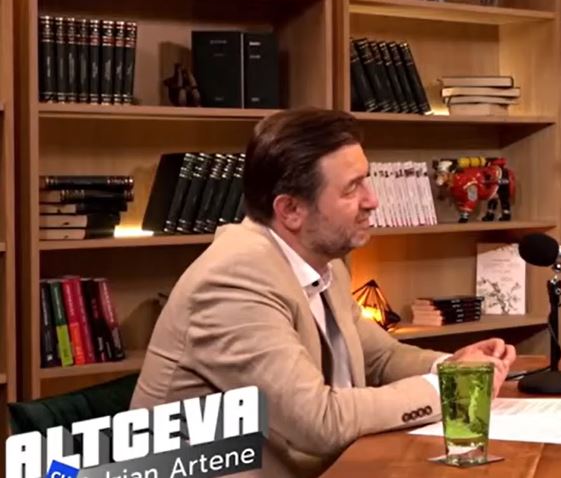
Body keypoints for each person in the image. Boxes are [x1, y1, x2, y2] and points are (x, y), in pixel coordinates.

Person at [131, 108, 517, 478]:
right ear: (290, 210)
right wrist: (452, 389)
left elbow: (381, 358)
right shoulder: (234, 281)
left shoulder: (322, 262)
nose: (372, 200)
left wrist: (454, 367)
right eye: (352, 188)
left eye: (366, 180)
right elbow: (318, 422)